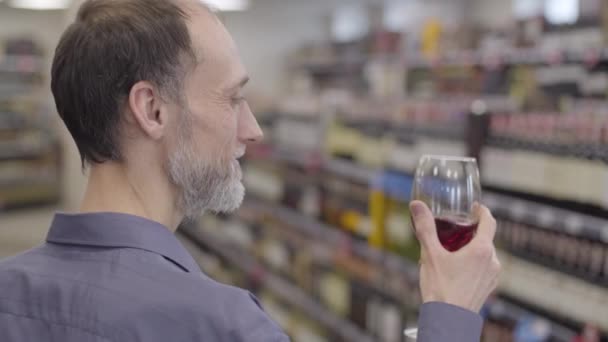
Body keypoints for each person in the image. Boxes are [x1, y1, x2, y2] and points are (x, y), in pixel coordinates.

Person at [0, 0, 501, 341]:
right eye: (232, 98)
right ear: (152, 110)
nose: (253, 129)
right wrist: (450, 311)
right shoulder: (223, 325)